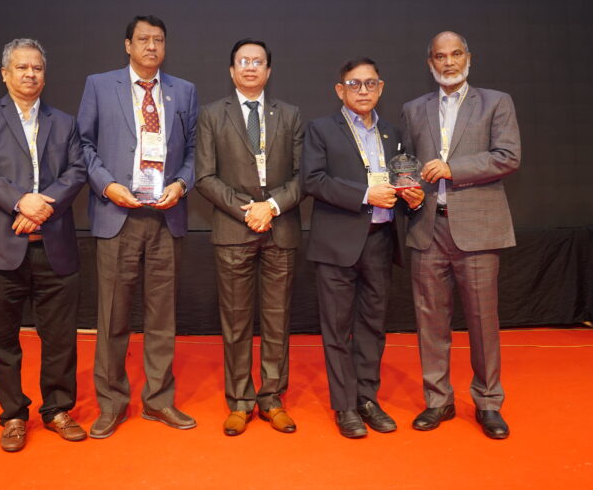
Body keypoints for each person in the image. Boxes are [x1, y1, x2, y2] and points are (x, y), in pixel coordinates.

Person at [0, 38, 87, 452]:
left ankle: (58, 410)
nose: (30, 74)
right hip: (0, 249)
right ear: (5, 74)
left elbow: (76, 171)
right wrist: (20, 201)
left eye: (37, 68)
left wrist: (40, 209)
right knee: (2, 339)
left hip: (54, 247)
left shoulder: (65, 122)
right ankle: (14, 415)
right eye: (21, 67)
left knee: (60, 338)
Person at [77, 15, 199, 438]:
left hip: (166, 216)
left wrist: (182, 184)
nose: (151, 46)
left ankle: (158, 401)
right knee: (112, 317)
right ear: (127, 45)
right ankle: (111, 404)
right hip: (118, 215)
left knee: (162, 317)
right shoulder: (99, 85)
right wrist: (107, 185)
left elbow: (195, 150)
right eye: (143, 39)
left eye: (158, 40)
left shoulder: (183, 91)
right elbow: (83, 144)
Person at [400, 31, 521, 440]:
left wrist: (454, 169)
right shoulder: (413, 109)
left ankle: (488, 403)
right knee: (429, 321)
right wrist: (408, 188)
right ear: (430, 62)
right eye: (440, 56)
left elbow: (508, 156)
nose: (448, 62)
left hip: (478, 228)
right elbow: (408, 164)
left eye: (455, 54)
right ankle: (438, 400)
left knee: (483, 321)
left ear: (469, 57)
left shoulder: (496, 102)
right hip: (427, 227)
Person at [301, 57, 425, 438]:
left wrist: (414, 198)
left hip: (380, 241)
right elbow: (313, 181)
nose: (363, 90)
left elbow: (402, 182)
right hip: (336, 244)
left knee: (373, 326)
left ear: (381, 88)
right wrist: (365, 194)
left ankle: (367, 399)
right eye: (354, 84)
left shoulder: (393, 133)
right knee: (337, 329)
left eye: (370, 83)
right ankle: (344, 406)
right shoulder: (321, 129)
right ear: (340, 90)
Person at [194, 38, 305, 436]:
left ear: (268, 71)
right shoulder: (211, 115)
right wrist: (248, 209)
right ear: (232, 70)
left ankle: (272, 398)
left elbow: (303, 176)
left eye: (258, 61)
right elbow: (204, 176)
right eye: (243, 61)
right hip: (233, 229)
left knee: (277, 319)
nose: (251, 67)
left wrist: (270, 207)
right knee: (236, 320)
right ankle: (240, 401)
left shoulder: (290, 115)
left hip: (280, 228)